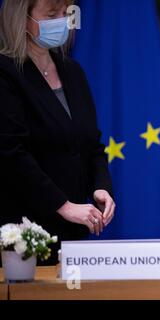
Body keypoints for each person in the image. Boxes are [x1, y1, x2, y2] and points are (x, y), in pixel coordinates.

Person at [0, 0, 115, 264]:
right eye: (52, 14)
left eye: (65, 13)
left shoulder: (73, 71)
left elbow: (91, 145)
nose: (62, 21)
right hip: (24, 233)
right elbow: (10, 154)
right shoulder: (5, 73)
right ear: (23, 20)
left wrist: (100, 187)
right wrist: (63, 205)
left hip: (72, 234)